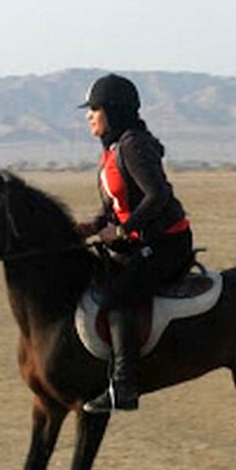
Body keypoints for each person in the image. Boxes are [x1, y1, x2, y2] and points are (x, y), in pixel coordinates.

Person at [76, 73, 193, 413]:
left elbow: (158, 195)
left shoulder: (133, 145)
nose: (89, 115)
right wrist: (93, 226)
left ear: (113, 110)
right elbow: (117, 202)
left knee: (118, 296)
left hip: (168, 244)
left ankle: (124, 386)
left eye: (94, 108)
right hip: (142, 240)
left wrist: (124, 230)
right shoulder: (113, 149)